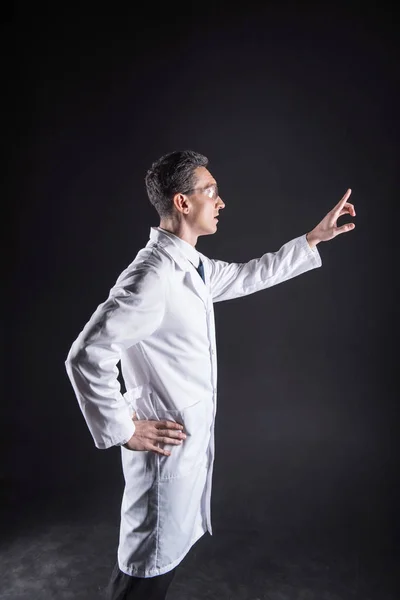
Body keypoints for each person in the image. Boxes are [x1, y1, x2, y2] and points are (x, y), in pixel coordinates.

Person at [65, 150, 356, 599]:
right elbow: (87, 354)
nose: (221, 202)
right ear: (183, 203)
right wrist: (123, 428)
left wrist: (312, 240)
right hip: (163, 453)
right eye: (210, 192)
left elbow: (248, 275)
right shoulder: (152, 275)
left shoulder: (193, 266)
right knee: (142, 575)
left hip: (185, 450)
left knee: (158, 567)